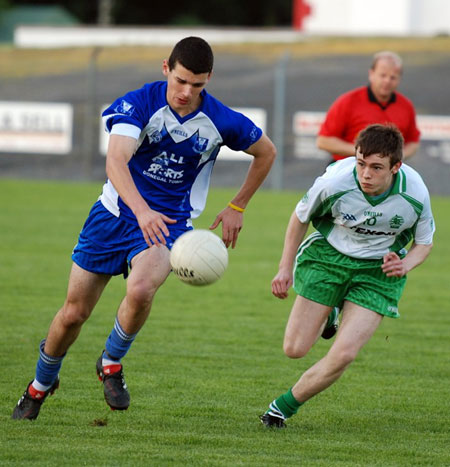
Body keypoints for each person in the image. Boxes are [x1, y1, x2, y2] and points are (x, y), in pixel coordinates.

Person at [12, 36, 276, 420]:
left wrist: (238, 205)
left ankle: (111, 363)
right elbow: (116, 161)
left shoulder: (219, 119)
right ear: (165, 68)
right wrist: (140, 210)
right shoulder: (139, 103)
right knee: (73, 314)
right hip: (113, 215)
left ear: (209, 80)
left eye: (197, 85)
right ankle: (40, 384)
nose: (187, 92)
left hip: (168, 224)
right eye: (181, 80)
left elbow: (266, 152)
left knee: (140, 289)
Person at [260, 123, 434, 428]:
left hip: (378, 271)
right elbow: (300, 218)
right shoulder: (336, 180)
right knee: (295, 349)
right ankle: (333, 310)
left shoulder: (415, 192)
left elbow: (424, 243)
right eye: (361, 163)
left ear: (396, 167)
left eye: (377, 167)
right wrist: (284, 268)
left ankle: (281, 408)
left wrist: (405, 265)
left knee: (343, 355)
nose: (366, 174)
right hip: (328, 257)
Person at [317, 51, 420, 162]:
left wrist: (398, 156)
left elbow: (413, 141)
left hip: (386, 174)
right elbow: (323, 141)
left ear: (399, 79)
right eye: (383, 75)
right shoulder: (348, 102)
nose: (387, 81)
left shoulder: (406, 106)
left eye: (393, 77)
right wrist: (364, 152)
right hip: (348, 169)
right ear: (371, 74)